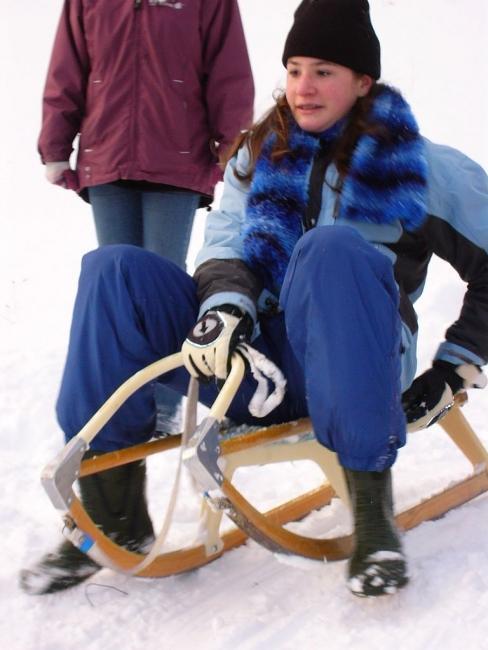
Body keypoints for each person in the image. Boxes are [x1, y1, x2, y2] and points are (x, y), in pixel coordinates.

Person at [22, 0, 488, 597]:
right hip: (252, 364)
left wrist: (456, 368)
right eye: (294, 69)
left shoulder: (422, 168)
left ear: (363, 81)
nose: (303, 87)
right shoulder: (258, 152)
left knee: (331, 248)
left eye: (323, 71)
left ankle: (373, 520)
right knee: (114, 270)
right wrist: (223, 311)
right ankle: (112, 510)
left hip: (352, 369)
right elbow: (223, 244)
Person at [38, 0, 255, 433]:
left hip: (175, 160)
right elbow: (68, 67)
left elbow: (228, 72)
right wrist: (56, 144)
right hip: (108, 158)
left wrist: (234, 149)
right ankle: (125, 409)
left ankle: (164, 408)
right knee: (117, 295)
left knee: (162, 290)